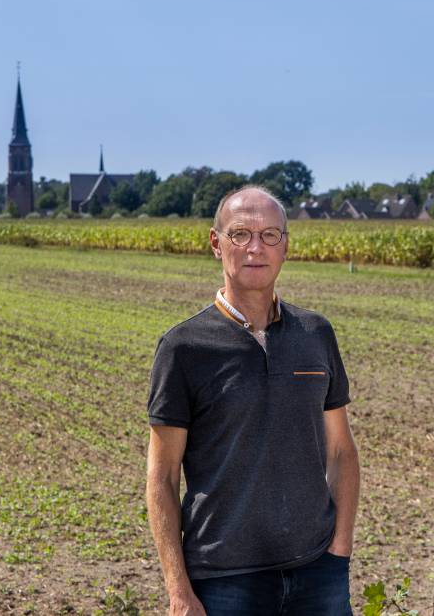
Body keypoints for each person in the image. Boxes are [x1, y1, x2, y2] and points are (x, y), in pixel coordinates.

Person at [145, 186, 360, 616]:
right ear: (215, 243)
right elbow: (163, 477)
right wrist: (178, 590)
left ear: (286, 247)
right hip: (223, 580)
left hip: (317, 572)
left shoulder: (316, 334)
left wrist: (338, 552)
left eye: (270, 235)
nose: (255, 248)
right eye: (240, 234)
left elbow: (341, 451)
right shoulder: (184, 347)